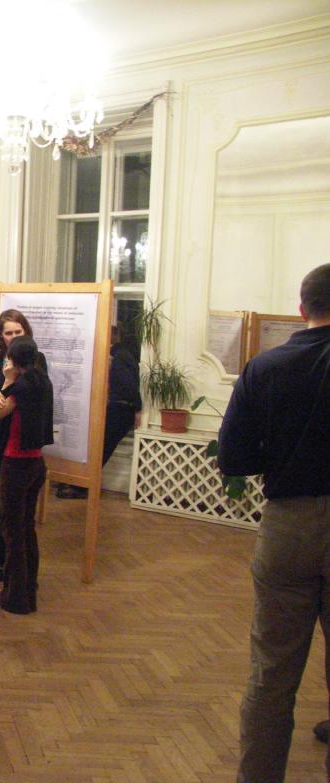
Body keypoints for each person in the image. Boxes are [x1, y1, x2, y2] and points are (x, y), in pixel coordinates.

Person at [218, 263, 330, 783]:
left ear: (301, 308)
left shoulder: (264, 368)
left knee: (272, 674)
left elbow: (233, 459)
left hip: (288, 529)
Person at [0, 309, 48, 581]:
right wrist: (10, 389)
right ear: (0, 336)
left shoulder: (37, 360)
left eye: (18, 331)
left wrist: (11, 393)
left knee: (19, 510)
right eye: (8, 333)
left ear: (25, 332)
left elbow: (37, 396)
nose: (14, 336)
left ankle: (17, 566)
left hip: (23, 443)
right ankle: (0, 561)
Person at [0, 337, 54, 615]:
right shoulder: (43, 382)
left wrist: (6, 380)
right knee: (27, 529)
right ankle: (29, 589)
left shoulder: (20, 386)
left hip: (16, 464)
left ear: (13, 360)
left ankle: (15, 599)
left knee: (13, 533)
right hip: (36, 462)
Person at [56, 323, 142, 499]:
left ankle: (81, 487)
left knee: (100, 449)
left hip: (120, 410)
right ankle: (77, 482)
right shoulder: (122, 355)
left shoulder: (119, 357)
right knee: (98, 447)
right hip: (119, 408)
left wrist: (137, 408)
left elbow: (129, 386)